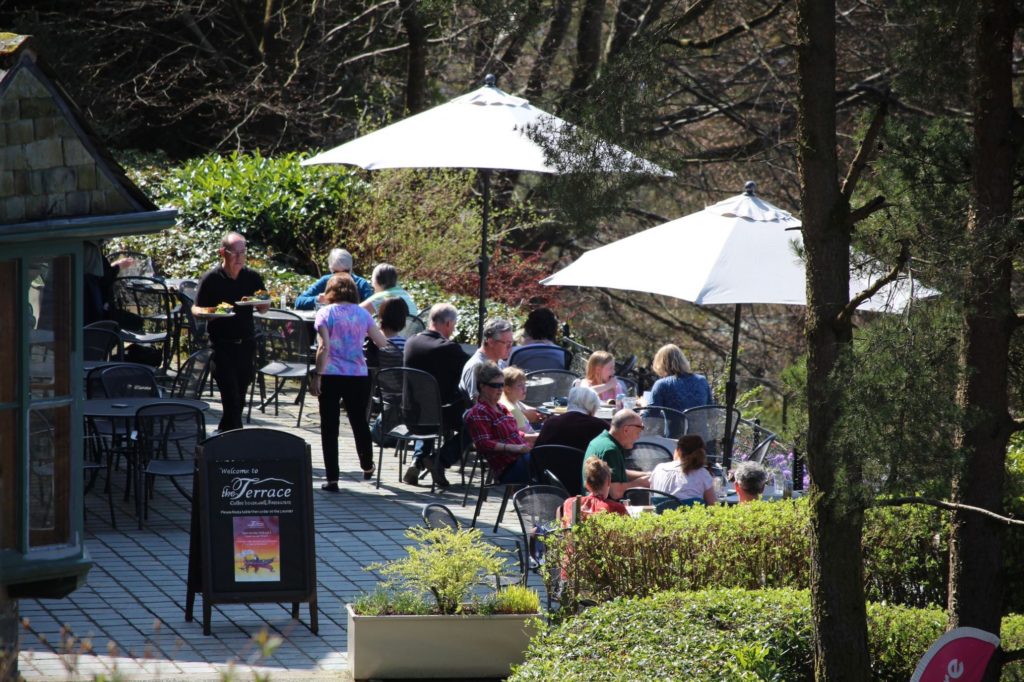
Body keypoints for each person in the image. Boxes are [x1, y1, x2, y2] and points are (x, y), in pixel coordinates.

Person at [309, 274, 391, 491]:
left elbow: (323, 347)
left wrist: (317, 375)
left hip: (331, 374)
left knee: (329, 426)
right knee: (359, 421)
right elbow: (381, 342)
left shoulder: (325, 313)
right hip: (357, 375)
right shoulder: (363, 314)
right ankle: (367, 465)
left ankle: (332, 478)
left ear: (330, 292)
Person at [193, 231, 269, 432]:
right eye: (234, 253)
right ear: (222, 252)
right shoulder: (211, 278)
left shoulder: (252, 278)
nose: (239, 258)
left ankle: (225, 436)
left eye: (242, 252)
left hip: (246, 343)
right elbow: (196, 308)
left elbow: (264, 302)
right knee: (230, 397)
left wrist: (263, 305)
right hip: (221, 345)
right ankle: (237, 438)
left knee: (240, 398)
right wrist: (212, 313)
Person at [402, 303, 471, 485]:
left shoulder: (411, 342)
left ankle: (417, 460)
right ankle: (439, 460)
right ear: (448, 323)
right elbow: (472, 369)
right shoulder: (448, 349)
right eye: (454, 325)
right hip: (438, 416)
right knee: (475, 424)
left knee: (429, 405)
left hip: (409, 413)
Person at [465, 362, 532, 484]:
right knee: (552, 465)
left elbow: (515, 434)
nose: (500, 389)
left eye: (502, 385)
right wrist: (515, 448)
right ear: (483, 386)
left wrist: (538, 437)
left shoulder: (501, 407)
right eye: (495, 385)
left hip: (522, 458)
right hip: (508, 467)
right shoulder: (479, 412)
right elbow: (483, 444)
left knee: (556, 455)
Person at [583, 408, 649, 499]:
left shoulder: (601, 440)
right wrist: (640, 483)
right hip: (603, 510)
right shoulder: (611, 450)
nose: (638, 437)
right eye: (638, 432)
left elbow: (617, 472)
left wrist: (647, 475)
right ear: (626, 430)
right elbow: (616, 493)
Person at [533, 386, 607, 453]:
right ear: (593, 408)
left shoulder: (550, 423)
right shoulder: (600, 427)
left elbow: (537, 452)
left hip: (549, 467)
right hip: (583, 467)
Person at [294, 248, 373, 309]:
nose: (342, 276)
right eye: (336, 272)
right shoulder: (326, 281)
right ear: (331, 269)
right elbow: (299, 301)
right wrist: (318, 299)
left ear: (351, 268)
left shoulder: (361, 284)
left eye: (345, 271)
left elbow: (372, 308)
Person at [650, 434, 716, 506]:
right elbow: (713, 505)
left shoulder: (659, 468)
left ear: (678, 451)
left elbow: (651, 501)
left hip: (661, 516)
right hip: (691, 516)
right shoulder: (703, 474)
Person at [560, 458, 629, 526]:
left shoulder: (569, 503)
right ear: (608, 482)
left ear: (587, 484)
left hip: (573, 537)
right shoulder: (616, 508)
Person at [460, 317, 514, 401]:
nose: (510, 347)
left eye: (511, 343)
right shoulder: (476, 367)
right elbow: (477, 406)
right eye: (507, 343)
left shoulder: (501, 363)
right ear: (491, 342)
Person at [648, 344, 713, 412]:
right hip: (699, 423)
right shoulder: (702, 381)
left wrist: (643, 405)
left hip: (674, 423)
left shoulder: (661, 384)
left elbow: (650, 416)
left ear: (661, 364)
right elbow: (711, 413)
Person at [365, 296, 408, 370]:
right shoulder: (406, 345)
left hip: (372, 380)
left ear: (380, 316)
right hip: (397, 381)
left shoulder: (369, 342)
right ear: (403, 319)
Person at [499, 367, 539, 444]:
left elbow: (526, 408)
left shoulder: (510, 400)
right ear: (507, 389)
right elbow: (525, 439)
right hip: (530, 448)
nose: (525, 388)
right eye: (520, 385)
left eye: (525, 384)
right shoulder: (512, 409)